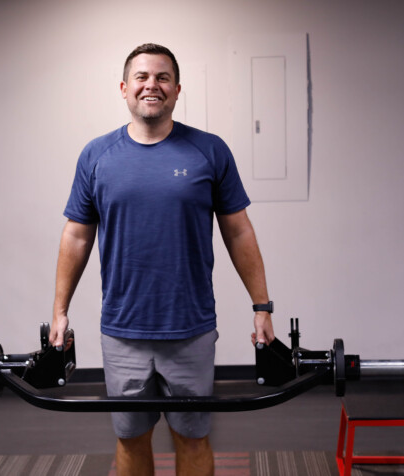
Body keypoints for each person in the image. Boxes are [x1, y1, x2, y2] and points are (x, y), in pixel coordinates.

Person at [50, 43, 275, 476]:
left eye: (162, 77)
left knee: (193, 437)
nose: (151, 85)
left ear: (176, 89)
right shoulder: (97, 155)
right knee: (130, 438)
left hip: (190, 329)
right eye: (141, 77)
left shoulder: (209, 151)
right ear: (124, 88)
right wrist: (60, 311)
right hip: (123, 331)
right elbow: (76, 235)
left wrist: (261, 306)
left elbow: (238, 231)